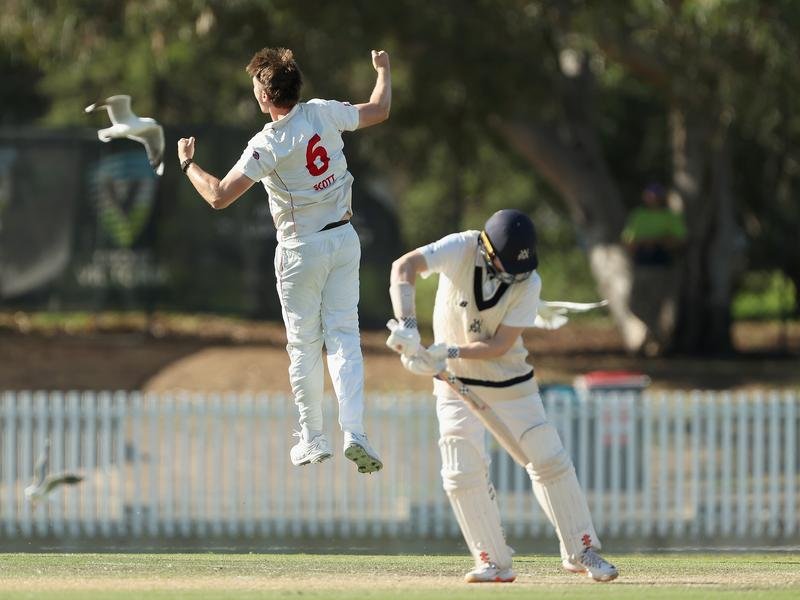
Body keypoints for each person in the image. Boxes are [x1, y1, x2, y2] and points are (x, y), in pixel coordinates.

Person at [177, 47, 391, 474]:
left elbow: (219, 196)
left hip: (300, 250)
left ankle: (313, 438)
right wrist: (383, 70)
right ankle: (356, 433)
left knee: (304, 344)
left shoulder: (268, 143)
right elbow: (380, 109)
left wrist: (188, 165)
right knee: (345, 337)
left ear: (264, 96)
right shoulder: (322, 113)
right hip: (345, 239)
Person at [386, 209, 618, 583]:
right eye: (505, 265)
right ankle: (493, 562)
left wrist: (447, 352)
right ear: (485, 248)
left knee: (547, 457)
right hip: (453, 383)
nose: (513, 275)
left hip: (508, 380)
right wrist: (409, 327)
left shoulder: (529, 282)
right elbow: (404, 266)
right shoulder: (461, 246)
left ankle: (582, 549)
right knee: (461, 469)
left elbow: (498, 345)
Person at [622, 183, 687, 354]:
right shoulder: (639, 215)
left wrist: (656, 242)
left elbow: (679, 240)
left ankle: (656, 344)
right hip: (641, 265)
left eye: (656, 195)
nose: (653, 198)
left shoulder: (669, 217)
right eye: (649, 194)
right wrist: (644, 243)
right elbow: (629, 241)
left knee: (657, 305)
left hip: (660, 266)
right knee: (634, 304)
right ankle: (657, 336)